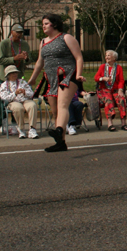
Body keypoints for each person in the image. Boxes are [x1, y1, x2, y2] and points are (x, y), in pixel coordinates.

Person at [27, 14, 86, 152]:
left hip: (68, 76)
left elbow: (78, 57)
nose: (43, 26)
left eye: (46, 23)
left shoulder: (66, 38)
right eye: (43, 24)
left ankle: (59, 130)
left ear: (55, 24)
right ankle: (61, 143)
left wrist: (78, 75)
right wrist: (33, 78)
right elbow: (40, 62)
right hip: (51, 79)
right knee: (55, 112)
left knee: (63, 106)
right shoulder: (43, 42)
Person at [0, 24, 30, 133]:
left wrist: (26, 58)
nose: (19, 35)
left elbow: (29, 60)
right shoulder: (4, 43)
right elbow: (0, 60)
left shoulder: (24, 44)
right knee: (5, 101)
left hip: (19, 77)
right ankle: (2, 123)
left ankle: (16, 123)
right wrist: (14, 58)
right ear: (12, 32)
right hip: (5, 77)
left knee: (18, 100)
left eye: (21, 33)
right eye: (17, 33)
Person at [0, 65, 38, 139]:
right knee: (18, 108)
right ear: (8, 75)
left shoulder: (22, 82)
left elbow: (31, 94)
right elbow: (4, 98)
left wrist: (25, 92)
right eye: (12, 73)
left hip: (25, 100)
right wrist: (15, 93)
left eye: (15, 73)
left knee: (32, 105)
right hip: (13, 102)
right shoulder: (4, 85)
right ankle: (21, 129)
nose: (14, 74)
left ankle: (32, 129)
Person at [95, 50, 127, 131]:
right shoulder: (102, 67)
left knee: (121, 99)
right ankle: (110, 123)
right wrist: (103, 78)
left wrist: (120, 90)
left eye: (109, 55)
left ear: (114, 58)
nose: (107, 57)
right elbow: (96, 78)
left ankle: (123, 123)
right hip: (104, 90)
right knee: (108, 99)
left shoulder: (118, 68)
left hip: (115, 90)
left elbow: (121, 80)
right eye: (106, 55)